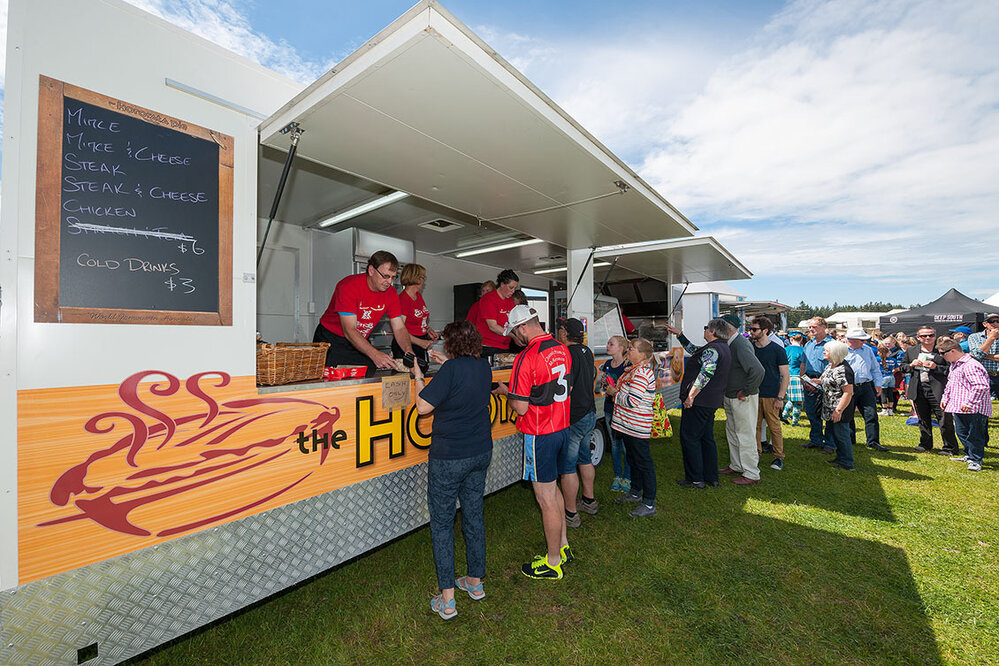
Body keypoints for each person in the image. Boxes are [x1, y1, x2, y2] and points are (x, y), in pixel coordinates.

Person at [411, 321, 493, 620]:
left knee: (443, 524)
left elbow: (423, 407)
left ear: (451, 344)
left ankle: (447, 600)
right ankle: (474, 582)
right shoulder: (482, 367)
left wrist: (418, 377)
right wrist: (446, 364)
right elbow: (463, 376)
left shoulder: (450, 371)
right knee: (473, 515)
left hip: (449, 457)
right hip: (480, 452)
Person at [493, 305, 573, 580]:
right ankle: (562, 547)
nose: (514, 338)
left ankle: (552, 562)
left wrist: (507, 393)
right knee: (555, 490)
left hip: (540, 433)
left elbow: (521, 407)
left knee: (545, 498)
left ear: (523, 327)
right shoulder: (561, 348)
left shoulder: (526, 357)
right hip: (562, 427)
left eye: (514, 333)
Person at [313, 250, 414, 373]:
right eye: (385, 276)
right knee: (334, 378)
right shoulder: (349, 286)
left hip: (358, 339)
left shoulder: (391, 293)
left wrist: (408, 349)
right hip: (332, 339)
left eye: (393, 277)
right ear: (371, 270)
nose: (389, 282)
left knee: (369, 370)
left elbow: (399, 327)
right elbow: (349, 329)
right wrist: (374, 354)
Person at [669, 319, 733, 489]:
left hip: (700, 402)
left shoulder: (713, 349)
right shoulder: (721, 347)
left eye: (706, 328)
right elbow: (694, 351)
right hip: (711, 402)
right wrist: (679, 335)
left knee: (690, 438)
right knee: (706, 438)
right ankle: (711, 477)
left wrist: (690, 396)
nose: (704, 330)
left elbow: (705, 374)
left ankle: (695, 479)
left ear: (712, 331)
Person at [607, 338, 659, 515]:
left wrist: (614, 393)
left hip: (636, 426)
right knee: (633, 460)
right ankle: (636, 492)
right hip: (627, 426)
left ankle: (649, 502)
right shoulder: (633, 370)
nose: (628, 351)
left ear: (643, 354)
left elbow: (632, 401)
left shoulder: (641, 373)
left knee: (643, 462)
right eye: (628, 348)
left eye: (632, 349)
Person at [555, 318, 598, 527]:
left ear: (564, 334)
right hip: (589, 413)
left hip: (574, 416)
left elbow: (565, 387)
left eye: (561, 330)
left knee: (568, 467)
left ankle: (570, 513)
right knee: (585, 458)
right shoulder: (586, 351)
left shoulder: (566, 354)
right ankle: (589, 501)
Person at [717, 314, 765, 485]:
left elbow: (758, 370)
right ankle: (736, 465)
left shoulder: (740, 344)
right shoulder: (733, 343)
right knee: (733, 431)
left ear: (726, 329)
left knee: (745, 434)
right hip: (733, 396)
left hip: (742, 397)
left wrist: (745, 391)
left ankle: (751, 473)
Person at [902, 326, 960, 454]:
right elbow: (902, 367)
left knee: (944, 419)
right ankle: (925, 443)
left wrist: (936, 367)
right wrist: (911, 365)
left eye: (930, 335)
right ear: (918, 338)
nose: (927, 338)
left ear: (935, 336)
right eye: (924, 336)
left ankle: (950, 447)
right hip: (919, 388)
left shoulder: (943, 350)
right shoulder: (911, 351)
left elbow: (951, 370)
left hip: (938, 389)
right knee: (923, 419)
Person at [938, 337, 992, 472]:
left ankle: (976, 460)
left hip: (974, 408)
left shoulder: (971, 365)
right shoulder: (955, 364)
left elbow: (981, 386)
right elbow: (950, 383)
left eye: (943, 353)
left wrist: (970, 402)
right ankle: (969, 455)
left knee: (974, 434)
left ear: (953, 351)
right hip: (958, 406)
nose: (941, 356)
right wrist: (945, 398)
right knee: (962, 432)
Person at [749, 316, 790, 470]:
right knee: (756, 426)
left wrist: (780, 397)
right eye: (751, 329)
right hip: (753, 393)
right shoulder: (750, 348)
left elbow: (785, 375)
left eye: (754, 329)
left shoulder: (777, 349)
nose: (751, 332)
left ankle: (778, 457)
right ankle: (756, 454)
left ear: (765, 331)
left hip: (771, 395)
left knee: (774, 427)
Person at [844, 328, 890, 452]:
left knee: (871, 414)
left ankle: (873, 441)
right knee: (848, 415)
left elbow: (875, 368)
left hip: (866, 386)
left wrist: (878, 384)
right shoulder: (842, 350)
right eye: (862, 340)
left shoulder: (868, 350)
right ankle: (849, 439)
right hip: (848, 386)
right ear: (852, 340)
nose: (864, 342)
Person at [599, 336, 631, 492]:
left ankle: (628, 477)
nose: (607, 346)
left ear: (621, 348)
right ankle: (618, 475)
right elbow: (604, 386)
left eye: (611, 344)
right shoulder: (607, 364)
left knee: (626, 446)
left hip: (624, 411)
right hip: (610, 409)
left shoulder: (629, 365)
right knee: (615, 444)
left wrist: (615, 389)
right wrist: (604, 382)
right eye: (608, 343)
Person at [392, 263, 439, 369]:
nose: (423, 281)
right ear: (416, 279)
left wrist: (427, 329)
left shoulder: (418, 296)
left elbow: (418, 318)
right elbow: (399, 329)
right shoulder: (403, 299)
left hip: (420, 342)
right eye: (422, 277)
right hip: (407, 343)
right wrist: (420, 342)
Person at [801, 317, 835, 453]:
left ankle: (830, 444)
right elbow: (803, 364)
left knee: (827, 414)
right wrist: (804, 380)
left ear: (823, 327)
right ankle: (815, 440)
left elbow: (832, 366)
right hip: (809, 381)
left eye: (813, 327)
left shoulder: (831, 344)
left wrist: (818, 383)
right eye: (809, 327)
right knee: (811, 412)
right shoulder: (808, 344)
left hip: (825, 382)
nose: (810, 329)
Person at [820, 340, 856, 470]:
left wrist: (838, 411)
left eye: (827, 350)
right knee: (835, 434)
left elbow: (848, 392)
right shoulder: (830, 366)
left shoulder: (843, 370)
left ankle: (847, 463)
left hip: (840, 408)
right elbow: (828, 381)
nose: (824, 352)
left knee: (842, 435)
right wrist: (817, 381)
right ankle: (840, 457)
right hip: (829, 406)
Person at [474, 270, 519, 358]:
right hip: (488, 346)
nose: (513, 291)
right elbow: (493, 326)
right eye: (511, 287)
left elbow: (513, 323)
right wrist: (513, 336)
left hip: (504, 346)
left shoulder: (510, 301)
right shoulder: (489, 299)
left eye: (515, 288)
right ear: (502, 284)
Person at [968, 313, 999, 401]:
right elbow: (978, 355)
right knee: (981, 404)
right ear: (985, 324)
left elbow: (978, 354)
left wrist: (985, 355)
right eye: (991, 321)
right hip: (982, 375)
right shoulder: (974, 337)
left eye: (998, 321)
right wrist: (991, 338)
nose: (995, 323)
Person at [782, 331, 806, 425]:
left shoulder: (786, 349)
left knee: (791, 399)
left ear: (791, 339)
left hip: (787, 376)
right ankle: (794, 422)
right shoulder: (803, 350)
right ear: (801, 339)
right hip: (798, 376)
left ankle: (784, 416)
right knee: (798, 402)